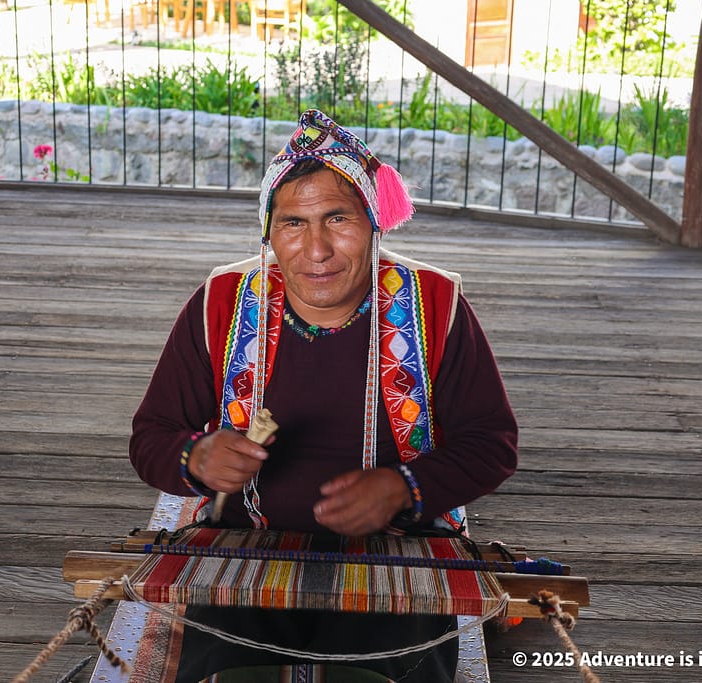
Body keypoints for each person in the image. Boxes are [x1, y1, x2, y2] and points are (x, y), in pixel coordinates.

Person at [129, 109, 518, 682]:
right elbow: (152, 437)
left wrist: (403, 488)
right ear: (270, 234)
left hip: (398, 552)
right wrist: (198, 457)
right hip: (245, 551)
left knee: (380, 675)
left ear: (373, 224)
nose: (316, 249)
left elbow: (492, 443)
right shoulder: (220, 306)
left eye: (338, 218)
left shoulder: (436, 307)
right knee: (233, 676)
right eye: (292, 223)